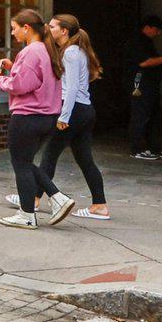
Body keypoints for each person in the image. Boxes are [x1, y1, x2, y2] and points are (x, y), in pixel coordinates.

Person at [0, 8, 73, 228]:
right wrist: (12, 67)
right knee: (25, 162)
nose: (13, 33)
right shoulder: (48, 50)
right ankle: (58, 198)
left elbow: (20, 85)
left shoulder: (29, 51)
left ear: (26, 28)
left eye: (14, 28)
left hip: (28, 115)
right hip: (48, 116)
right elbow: (36, 79)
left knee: (21, 164)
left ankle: (27, 214)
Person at [40, 14, 110, 221]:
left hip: (74, 110)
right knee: (84, 159)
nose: (48, 29)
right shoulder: (76, 50)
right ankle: (100, 205)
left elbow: (70, 89)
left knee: (50, 153)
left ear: (64, 31)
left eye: (52, 26)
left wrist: (64, 116)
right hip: (85, 110)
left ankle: (31, 199)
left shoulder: (70, 52)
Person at [126, 15, 162, 159]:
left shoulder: (148, 42)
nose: (158, 33)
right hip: (140, 84)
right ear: (148, 27)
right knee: (141, 114)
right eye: (156, 29)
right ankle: (137, 149)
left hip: (152, 85)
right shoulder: (138, 41)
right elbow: (144, 62)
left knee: (154, 115)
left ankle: (154, 147)